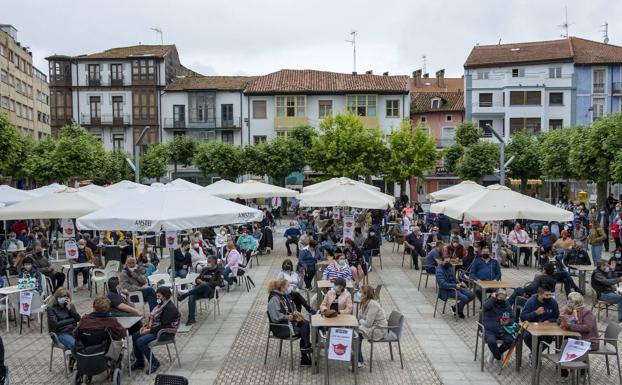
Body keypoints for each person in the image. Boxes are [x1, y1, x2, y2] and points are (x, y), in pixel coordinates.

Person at [131, 287, 180, 374]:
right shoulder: (160, 306)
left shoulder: (170, 308)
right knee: (135, 335)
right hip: (155, 329)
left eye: (158, 296)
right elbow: (153, 319)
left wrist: (148, 330)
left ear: (165, 297)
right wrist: (145, 326)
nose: (157, 298)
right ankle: (140, 362)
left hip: (165, 333)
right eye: (156, 296)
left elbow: (163, 326)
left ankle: (154, 362)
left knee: (140, 341)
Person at [267, 278, 312, 366]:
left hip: (288, 322)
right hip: (280, 327)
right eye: (287, 286)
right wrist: (287, 317)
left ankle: (306, 350)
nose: (289, 288)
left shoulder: (283, 296)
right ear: (282, 287)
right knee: (303, 331)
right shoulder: (274, 299)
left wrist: (296, 314)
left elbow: (290, 309)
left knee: (305, 323)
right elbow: (274, 317)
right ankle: (305, 353)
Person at [178, 256, 223, 325]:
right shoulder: (205, 269)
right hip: (199, 291)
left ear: (214, 262)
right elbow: (196, 279)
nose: (208, 263)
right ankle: (191, 319)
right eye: (207, 261)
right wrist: (198, 280)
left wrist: (206, 283)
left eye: (209, 262)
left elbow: (220, 283)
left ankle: (184, 295)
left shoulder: (218, 271)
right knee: (192, 296)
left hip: (210, 291)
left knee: (204, 285)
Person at [520, 287, 560, 359]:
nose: (549, 297)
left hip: (546, 328)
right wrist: (535, 313)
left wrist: (550, 321)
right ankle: (535, 355)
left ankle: (534, 355)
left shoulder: (553, 302)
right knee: (527, 337)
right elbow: (522, 318)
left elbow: (557, 318)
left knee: (548, 338)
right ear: (539, 294)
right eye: (546, 295)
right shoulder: (531, 302)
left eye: (550, 295)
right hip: (531, 327)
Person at [356, 284, 387, 368]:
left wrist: (361, 320)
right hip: (372, 327)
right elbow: (360, 316)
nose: (358, 294)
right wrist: (361, 317)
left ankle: (359, 361)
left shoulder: (373, 304)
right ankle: (357, 359)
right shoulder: (365, 302)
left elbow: (367, 323)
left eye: (360, 292)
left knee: (356, 335)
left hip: (378, 329)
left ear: (366, 294)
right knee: (355, 334)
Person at [482, 289, 516, 367]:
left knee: (511, 341)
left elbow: (513, 318)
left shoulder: (506, 304)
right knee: (491, 342)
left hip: (503, 329)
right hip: (489, 329)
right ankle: (498, 357)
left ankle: (495, 353)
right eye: (500, 298)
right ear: (495, 296)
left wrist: (508, 322)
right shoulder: (489, 302)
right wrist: (492, 298)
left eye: (504, 298)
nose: (502, 300)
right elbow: (485, 306)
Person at [46, 288, 81, 356]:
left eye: (65, 296)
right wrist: (72, 320)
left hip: (74, 330)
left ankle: (76, 359)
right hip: (60, 333)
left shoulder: (70, 306)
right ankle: (79, 363)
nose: (63, 298)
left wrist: (70, 309)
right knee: (74, 344)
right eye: (61, 297)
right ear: (57, 297)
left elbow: (78, 319)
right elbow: (55, 324)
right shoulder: (51, 308)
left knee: (86, 342)